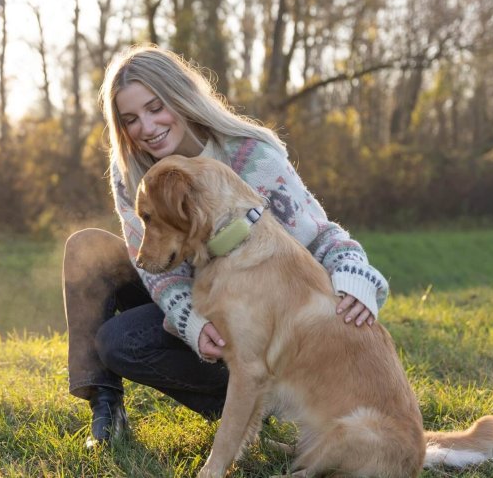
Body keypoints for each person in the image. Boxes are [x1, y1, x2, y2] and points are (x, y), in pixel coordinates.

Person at [62, 44, 389, 448]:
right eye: (130, 119)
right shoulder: (130, 170)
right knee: (86, 249)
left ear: (181, 98)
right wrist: (190, 323)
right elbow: (151, 263)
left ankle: (250, 397)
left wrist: (354, 270)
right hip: (192, 295)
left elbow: (316, 234)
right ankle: (106, 409)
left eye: (155, 107)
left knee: (120, 339)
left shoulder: (249, 153)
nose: (146, 127)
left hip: (251, 316)